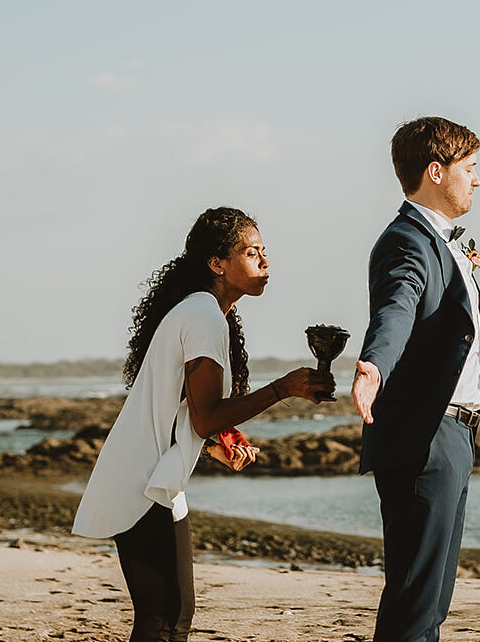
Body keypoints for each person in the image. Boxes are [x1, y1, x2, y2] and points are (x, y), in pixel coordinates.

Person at [72, 207, 334, 642]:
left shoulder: (209, 313)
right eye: (251, 252)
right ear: (217, 264)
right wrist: (283, 388)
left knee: (172, 618)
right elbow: (205, 413)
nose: (264, 261)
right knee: (162, 621)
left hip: (156, 478)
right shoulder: (204, 315)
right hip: (141, 482)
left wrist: (215, 444)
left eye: (264, 251)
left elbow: (184, 411)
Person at [352, 116, 480, 642]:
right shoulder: (407, 243)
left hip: (451, 428)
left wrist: (467, 381)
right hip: (425, 440)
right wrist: (373, 366)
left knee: (431, 600)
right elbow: (397, 309)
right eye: (471, 168)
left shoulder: (442, 242)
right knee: (416, 600)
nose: (477, 180)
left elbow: (441, 329)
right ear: (436, 172)